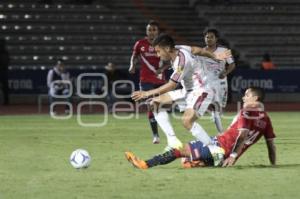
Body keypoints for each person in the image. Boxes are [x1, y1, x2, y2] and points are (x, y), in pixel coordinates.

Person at [126, 87, 276, 169]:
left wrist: (232, 156)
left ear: (255, 99)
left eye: (247, 95)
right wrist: (273, 164)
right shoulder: (266, 118)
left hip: (220, 147)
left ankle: (145, 164)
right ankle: (197, 163)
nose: (243, 98)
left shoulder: (246, 112)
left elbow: (242, 136)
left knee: (179, 151)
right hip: (222, 148)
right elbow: (271, 146)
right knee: (186, 159)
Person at [132, 33, 231, 150]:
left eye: (159, 51)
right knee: (154, 104)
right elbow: (197, 50)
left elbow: (171, 85)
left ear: (167, 48)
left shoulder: (182, 61)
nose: (158, 55)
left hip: (202, 91)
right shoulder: (179, 47)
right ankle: (172, 141)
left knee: (187, 121)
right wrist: (214, 56)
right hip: (187, 91)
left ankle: (214, 150)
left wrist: (146, 93)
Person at [129, 20, 170, 144]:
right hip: (145, 79)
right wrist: (132, 65)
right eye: (149, 30)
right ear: (146, 31)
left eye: (154, 30)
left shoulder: (163, 44)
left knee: (162, 107)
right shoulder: (140, 44)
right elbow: (134, 55)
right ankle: (156, 135)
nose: (151, 32)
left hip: (160, 80)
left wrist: (161, 69)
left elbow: (169, 61)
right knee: (151, 106)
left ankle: (168, 132)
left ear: (158, 32)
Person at [203, 28, 236, 133]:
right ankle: (221, 132)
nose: (209, 39)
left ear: (216, 39)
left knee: (220, 107)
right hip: (207, 83)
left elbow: (232, 64)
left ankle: (216, 117)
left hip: (220, 82)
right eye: (207, 37)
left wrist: (225, 72)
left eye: (211, 37)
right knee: (214, 105)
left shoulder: (224, 51)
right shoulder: (201, 52)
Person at [0, 38, 10, 105]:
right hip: (3, 71)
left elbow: (8, 61)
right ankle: (6, 101)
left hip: (4, 71)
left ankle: (6, 101)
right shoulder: (6, 53)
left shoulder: (6, 53)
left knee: (5, 88)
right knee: (5, 87)